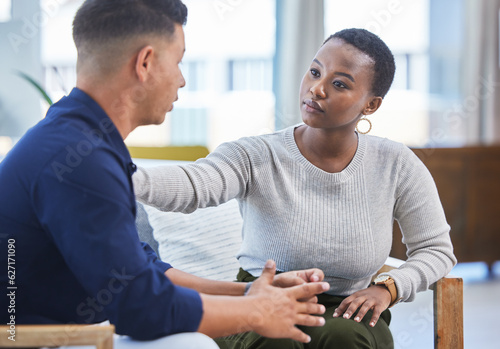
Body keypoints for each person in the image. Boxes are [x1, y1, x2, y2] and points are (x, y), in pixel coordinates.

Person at [0, 1, 332, 348]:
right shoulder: (80, 159)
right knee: (191, 344)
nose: (182, 79)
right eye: (178, 61)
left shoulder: (79, 140)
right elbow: (141, 308)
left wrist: (248, 293)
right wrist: (257, 312)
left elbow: (143, 271)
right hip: (23, 340)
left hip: (54, 334)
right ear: (144, 63)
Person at [133, 28, 457, 348]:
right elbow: (195, 183)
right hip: (263, 295)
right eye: (315, 72)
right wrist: (120, 176)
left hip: (348, 308)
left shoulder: (396, 163)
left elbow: (436, 249)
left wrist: (389, 288)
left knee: (344, 337)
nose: (316, 89)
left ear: (370, 105)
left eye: (339, 83)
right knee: (275, 342)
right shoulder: (256, 154)